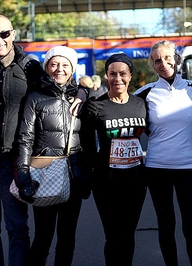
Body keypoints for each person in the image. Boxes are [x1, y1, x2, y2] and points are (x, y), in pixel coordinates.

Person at [0, 13, 86, 266]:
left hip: (12, 156)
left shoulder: (30, 66)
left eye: (4, 34)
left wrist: (82, 91)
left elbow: (58, 87)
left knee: (17, 225)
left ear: (13, 34)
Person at [15, 45, 90, 266]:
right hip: (44, 174)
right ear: (47, 67)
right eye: (55, 64)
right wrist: (22, 173)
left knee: (67, 238)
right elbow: (24, 138)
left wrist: (87, 174)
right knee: (43, 238)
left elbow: (88, 140)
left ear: (72, 69)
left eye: (65, 65)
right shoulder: (35, 97)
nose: (60, 69)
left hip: (73, 177)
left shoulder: (81, 99)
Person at [134, 40, 192, 266]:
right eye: (156, 60)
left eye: (166, 58)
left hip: (190, 169)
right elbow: (119, 110)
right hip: (157, 169)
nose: (162, 63)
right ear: (152, 66)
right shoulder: (144, 94)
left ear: (176, 59)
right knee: (166, 225)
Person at [80, 53, 147, 266]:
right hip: (106, 181)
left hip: (135, 180)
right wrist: (89, 175)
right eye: (112, 74)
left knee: (128, 234)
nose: (117, 79)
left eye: (122, 74)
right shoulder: (96, 106)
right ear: (106, 76)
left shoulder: (140, 104)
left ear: (130, 76)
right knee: (113, 235)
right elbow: (87, 145)